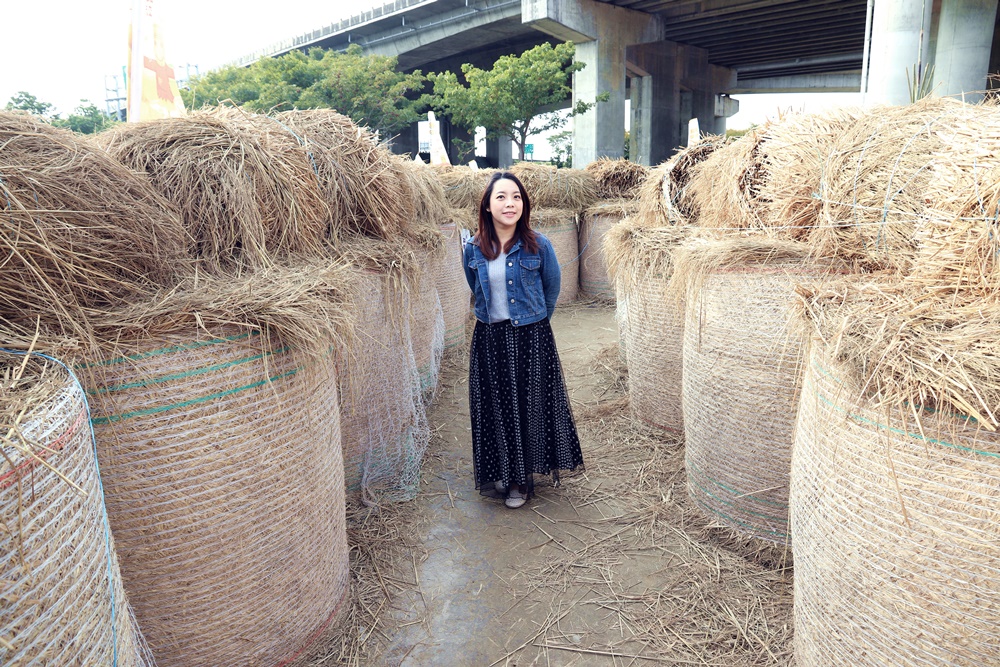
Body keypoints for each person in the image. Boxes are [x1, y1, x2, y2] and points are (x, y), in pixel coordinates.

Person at [463, 171, 584, 509]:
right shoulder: (473, 248)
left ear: (523, 204)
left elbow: (552, 288)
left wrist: (536, 324)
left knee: (527, 408)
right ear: (487, 206)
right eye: (501, 197)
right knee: (496, 407)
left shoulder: (538, 244)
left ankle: (520, 481)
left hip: (531, 337)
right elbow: (477, 291)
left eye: (516, 197)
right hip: (490, 336)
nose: (509, 203)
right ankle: (502, 469)